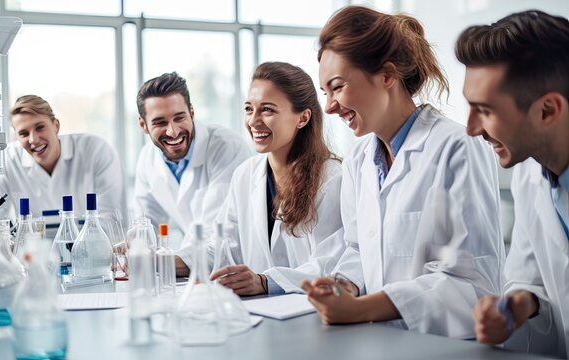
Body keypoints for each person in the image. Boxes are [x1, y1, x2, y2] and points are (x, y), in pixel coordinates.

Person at [301, 6, 504, 339]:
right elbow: (356, 248)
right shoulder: (359, 159)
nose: (330, 106)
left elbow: (474, 281)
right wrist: (343, 285)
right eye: (325, 92)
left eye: (337, 87)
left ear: (386, 75)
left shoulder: (456, 147)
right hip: (382, 339)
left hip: (445, 346)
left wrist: (364, 308)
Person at [175, 62, 345, 295]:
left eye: (267, 110)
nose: (254, 121)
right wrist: (163, 262)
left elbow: (331, 263)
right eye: (248, 109)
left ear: (303, 118)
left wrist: (265, 282)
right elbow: (223, 247)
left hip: (312, 313)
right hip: (261, 314)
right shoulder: (245, 174)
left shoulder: (331, 177)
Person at [457, 10, 569, 358]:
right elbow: (533, 281)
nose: (471, 128)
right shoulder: (530, 176)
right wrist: (519, 305)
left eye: (485, 110)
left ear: (548, 111)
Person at [134, 72, 252, 243]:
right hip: (195, 262)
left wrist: (162, 259)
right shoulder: (147, 158)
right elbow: (145, 226)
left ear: (191, 112)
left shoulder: (226, 147)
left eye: (179, 117)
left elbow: (216, 233)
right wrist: (134, 247)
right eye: (160, 122)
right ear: (143, 125)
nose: (172, 132)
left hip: (238, 261)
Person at [0, 95, 126, 220]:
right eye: (24, 134)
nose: (33, 139)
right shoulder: (9, 159)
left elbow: (110, 218)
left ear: (56, 125)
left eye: (40, 127)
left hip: (91, 249)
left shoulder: (96, 150)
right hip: (33, 250)